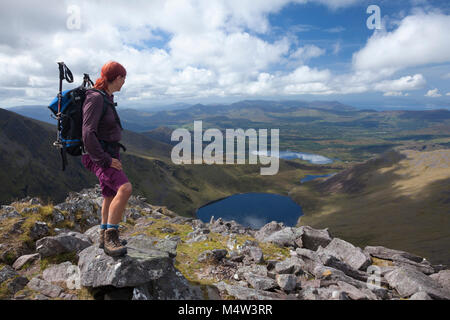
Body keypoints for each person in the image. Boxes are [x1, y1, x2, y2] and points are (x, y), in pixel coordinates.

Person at [81, 61, 131, 257]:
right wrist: (105, 160)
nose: (124, 82)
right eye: (122, 78)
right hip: (99, 156)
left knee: (109, 194)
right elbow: (87, 133)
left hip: (107, 153)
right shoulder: (95, 98)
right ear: (115, 77)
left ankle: (103, 235)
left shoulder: (106, 97)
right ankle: (112, 237)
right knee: (125, 188)